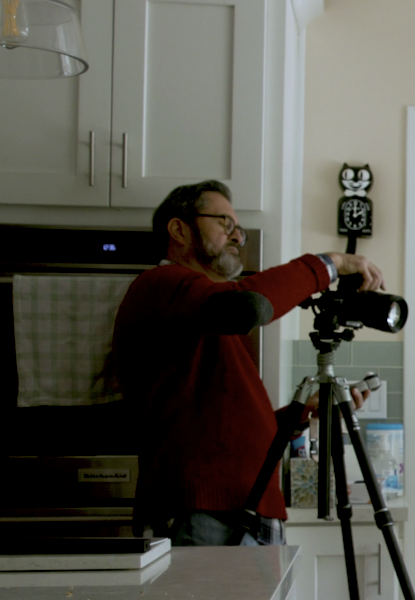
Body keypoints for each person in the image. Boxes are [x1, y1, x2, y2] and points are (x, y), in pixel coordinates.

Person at [112, 180, 385, 546]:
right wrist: (330, 263)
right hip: (201, 511)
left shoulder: (204, 314)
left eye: (238, 228)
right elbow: (248, 306)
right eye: (224, 223)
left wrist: (303, 413)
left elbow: (228, 434)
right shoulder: (160, 284)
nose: (237, 237)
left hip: (244, 508)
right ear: (178, 229)